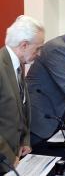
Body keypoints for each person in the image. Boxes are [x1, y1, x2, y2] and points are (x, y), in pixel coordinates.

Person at [0, 15, 45, 173]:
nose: (39, 53)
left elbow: (22, 108)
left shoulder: (19, 64)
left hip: (16, 155)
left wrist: (25, 140)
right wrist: (9, 158)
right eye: (38, 48)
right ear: (24, 45)